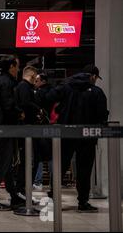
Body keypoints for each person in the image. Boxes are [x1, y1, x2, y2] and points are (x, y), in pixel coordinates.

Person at [47, 65, 109, 212]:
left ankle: (53, 200)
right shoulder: (97, 92)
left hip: (66, 134)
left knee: (60, 167)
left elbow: (48, 97)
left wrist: (59, 110)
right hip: (87, 136)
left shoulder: (67, 87)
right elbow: (102, 115)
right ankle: (83, 202)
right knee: (84, 170)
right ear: (93, 76)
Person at [0, 55, 26, 211]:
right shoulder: (6, 83)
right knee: (1, 163)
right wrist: (20, 113)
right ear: (11, 67)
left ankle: (13, 195)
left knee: (6, 163)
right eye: (17, 66)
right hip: (3, 129)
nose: (18, 69)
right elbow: (8, 106)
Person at [14, 66, 41, 198]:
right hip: (27, 129)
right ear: (31, 76)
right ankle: (21, 189)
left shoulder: (21, 87)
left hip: (24, 128)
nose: (36, 81)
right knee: (27, 160)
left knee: (26, 160)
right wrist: (38, 110)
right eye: (35, 78)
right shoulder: (25, 87)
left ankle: (22, 189)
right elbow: (26, 103)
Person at [33, 73, 54, 190]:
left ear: (43, 81)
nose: (35, 83)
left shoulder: (39, 93)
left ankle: (38, 181)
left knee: (39, 155)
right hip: (52, 126)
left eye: (37, 80)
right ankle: (53, 181)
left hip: (40, 126)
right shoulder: (53, 92)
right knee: (51, 155)